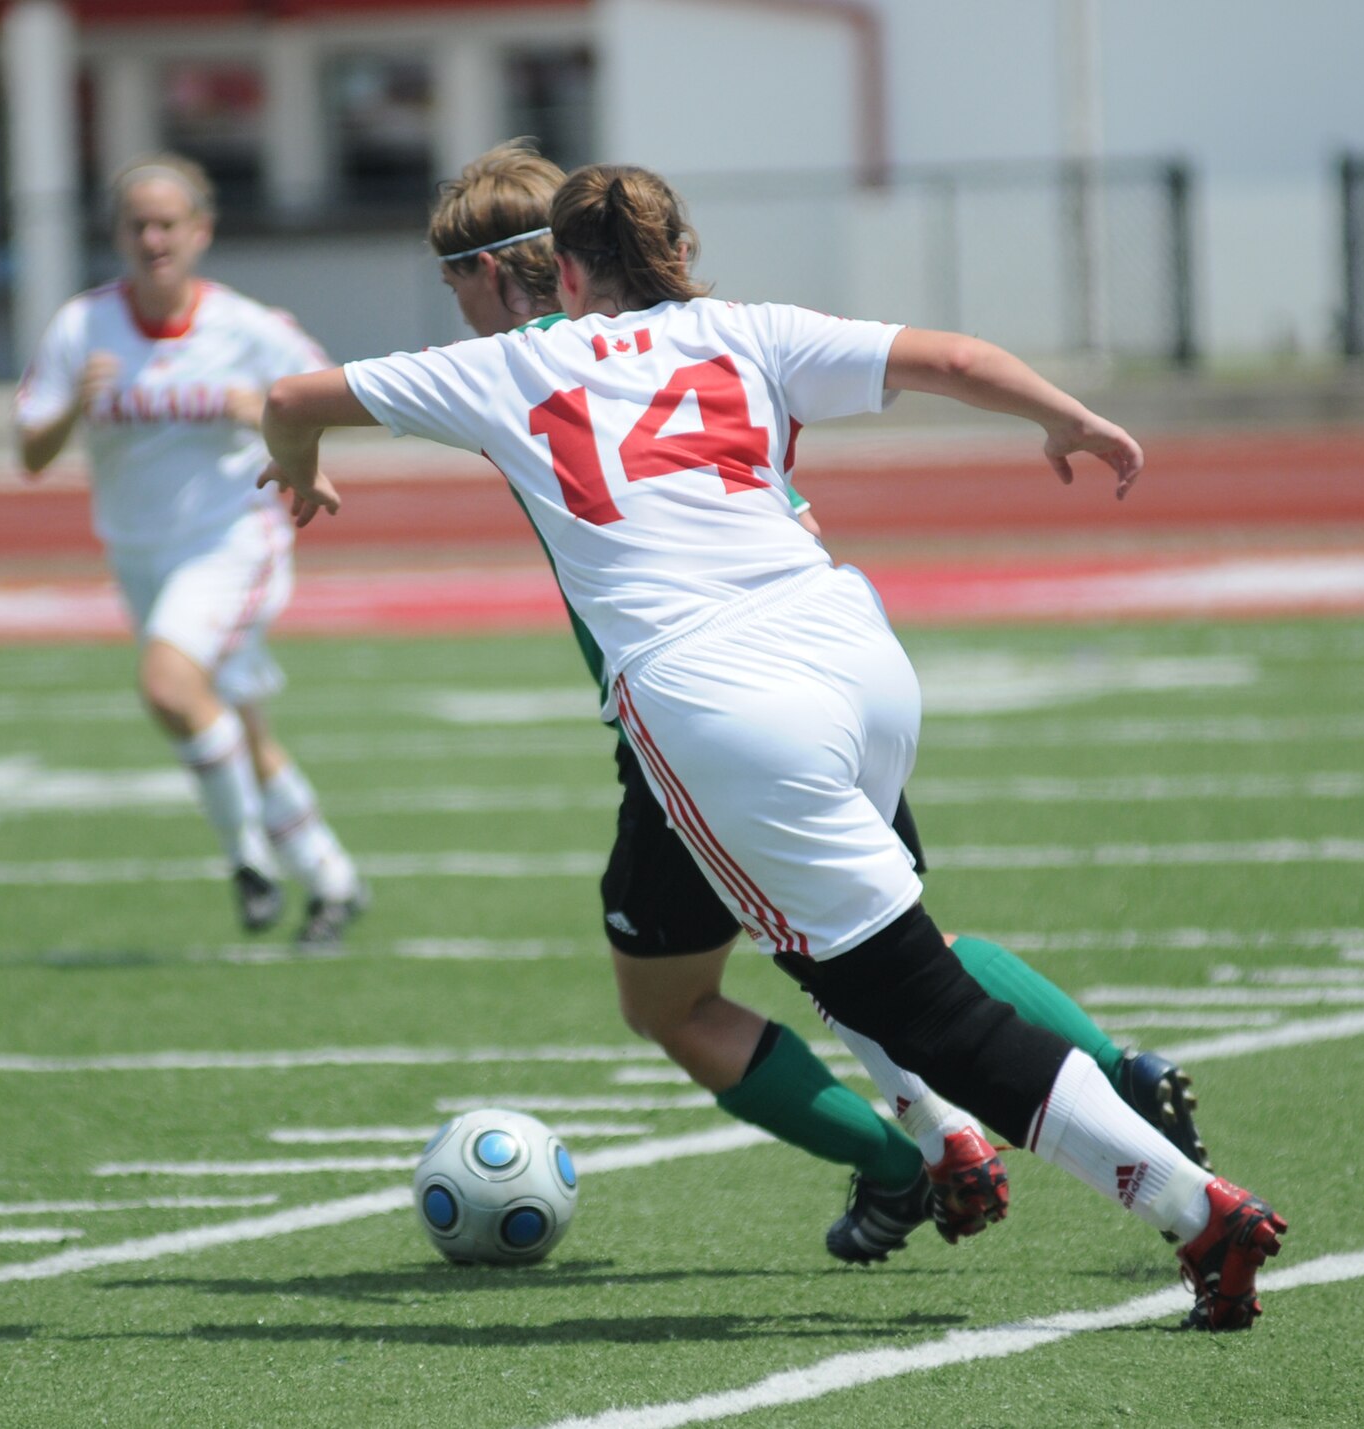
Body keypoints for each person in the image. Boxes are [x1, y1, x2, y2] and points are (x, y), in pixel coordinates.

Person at [262, 162, 1284, 1330]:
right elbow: (944, 357)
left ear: (539, 267)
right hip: (852, 655)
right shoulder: (738, 328)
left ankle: (1170, 1202)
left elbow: (291, 400)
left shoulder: (503, 364)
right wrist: (1063, 413)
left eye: (457, 281)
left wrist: (298, 474)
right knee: (861, 949)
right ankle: (985, 1122)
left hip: (717, 706)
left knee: (899, 996)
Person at [14, 153, 366, 946]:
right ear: (116, 234)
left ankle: (249, 860)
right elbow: (30, 455)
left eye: (167, 223)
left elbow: (328, 395)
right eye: (137, 224)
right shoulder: (82, 325)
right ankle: (334, 880)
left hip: (232, 542)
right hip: (138, 555)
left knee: (170, 688)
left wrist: (267, 418)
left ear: (201, 231)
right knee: (236, 722)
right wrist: (73, 405)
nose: (152, 238)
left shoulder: (244, 325)